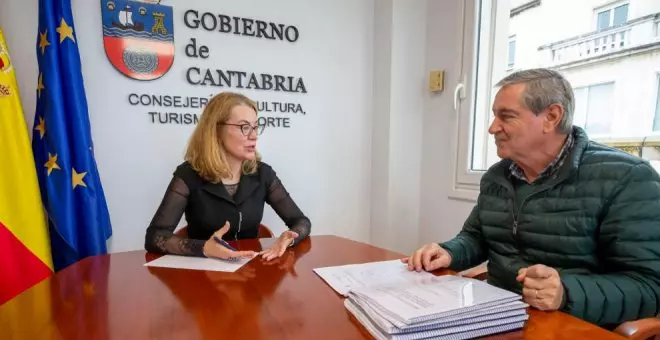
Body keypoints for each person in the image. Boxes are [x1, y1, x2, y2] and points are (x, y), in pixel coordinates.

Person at [404, 68, 660, 327]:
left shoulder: (627, 178)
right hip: (497, 316)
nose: (493, 128)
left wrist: (566, 292)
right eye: (494, 116)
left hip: (572, 325)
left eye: (506, 116)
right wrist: (448, 252)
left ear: (551, 116)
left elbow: (650, 286)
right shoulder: (497, 177)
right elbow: (477, 237)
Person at [145, 92, 311, 261]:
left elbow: (301, 221)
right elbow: (154, 237)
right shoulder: (188, 175)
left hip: (251, 271)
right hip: (204, 275)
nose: (253, 135)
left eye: (255, 127)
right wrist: (203, 248)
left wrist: (290, 238)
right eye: (244, 127)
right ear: (216, 131)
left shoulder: (263, 174)